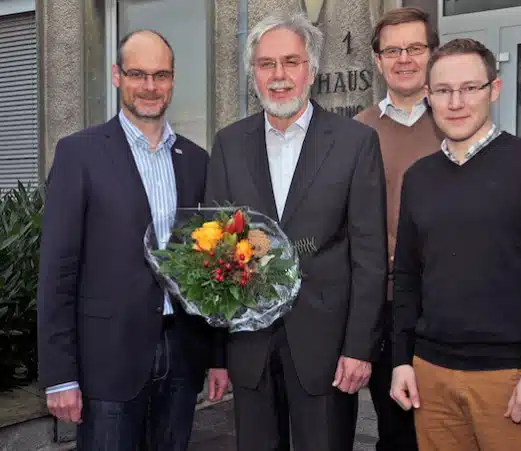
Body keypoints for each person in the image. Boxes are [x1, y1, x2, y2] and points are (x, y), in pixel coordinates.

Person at [390, 37, 521, 451]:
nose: (456, 101)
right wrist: (401, 361)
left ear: (494, 90)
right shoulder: (419, 177)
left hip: (512, 380)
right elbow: (407, 276)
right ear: (428, 97)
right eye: (443, 90)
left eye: (470, 88)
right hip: (431, 377)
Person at [37, 29, 229, 451]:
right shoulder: (79, 154)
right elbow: (57, 272)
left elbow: (213, 268)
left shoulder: (196, 161)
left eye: (160, 75)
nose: (149, 86)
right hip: (106, 361)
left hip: (182, 354)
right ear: (116, 76)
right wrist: (59, 375)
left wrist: (218, 357)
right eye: (138, 74)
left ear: (174, 80)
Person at [206, 12, 388, 451]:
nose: (279, 75)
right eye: (266, 64)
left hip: (326, 350)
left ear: (312, 69)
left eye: (291, 61)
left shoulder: (354, 142)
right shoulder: (229, 144)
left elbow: (369, 256)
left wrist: (359, 347)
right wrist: (217, 356)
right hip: (249, 349)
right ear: (253, 74)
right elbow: (213, 255)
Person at [354, 7, 442, 451]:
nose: (404, 58)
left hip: (446, 306)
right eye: (392, 50)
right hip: (384, 307)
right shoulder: (358, 132)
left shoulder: (456, 121)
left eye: (415, 47)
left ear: (432, 52)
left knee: (446, 430)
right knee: (395, 430)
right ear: (377, 59)